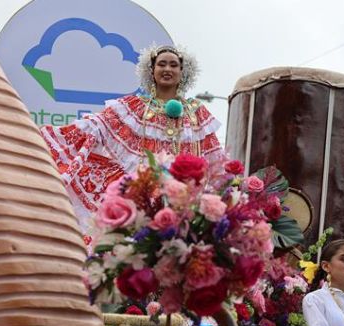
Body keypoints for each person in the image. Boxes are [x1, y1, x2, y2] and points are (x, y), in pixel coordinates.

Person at [41, 44, 223, 230]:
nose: (167, 69)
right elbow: (95, 127)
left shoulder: (196, 112)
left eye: (173, 65)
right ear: (152, 71)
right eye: (162, 64)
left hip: (183, 202)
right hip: (138, 197)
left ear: (182, 71)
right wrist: (44, 138)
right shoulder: (134, 106)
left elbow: (215, 160)